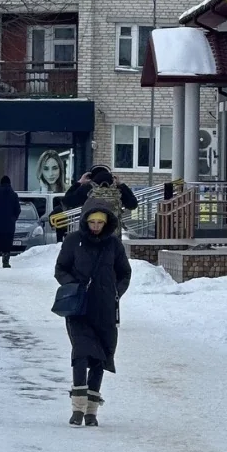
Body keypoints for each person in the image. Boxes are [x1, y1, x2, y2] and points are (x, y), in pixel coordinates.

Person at [54, 195, 132, 427]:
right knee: (81, 353)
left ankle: (91, 412)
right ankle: (77, 409)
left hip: (104, 309)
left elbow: (124, 273)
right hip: (79, 308)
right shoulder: (73, 241)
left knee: (100, 358)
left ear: (107, 222)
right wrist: (73, 286)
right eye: (92, 222)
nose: (96, 227)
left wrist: (115, 293)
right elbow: (60, 268)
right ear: (85, 221)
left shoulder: (113, 244)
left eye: (100, 222)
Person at [63, 166, 139, 221]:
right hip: (113, 233)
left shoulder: (87, 189)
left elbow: (67, 201)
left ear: (91, 177)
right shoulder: (117, 190)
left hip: (91, 231)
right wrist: (121, 185)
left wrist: (79, 182)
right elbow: (133, 204)